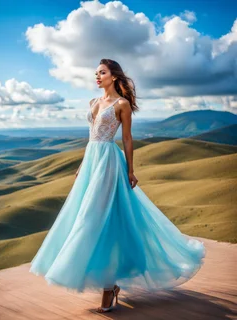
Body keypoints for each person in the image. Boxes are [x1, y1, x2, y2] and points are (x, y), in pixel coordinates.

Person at [29, 58, 206, 313]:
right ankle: (106, 282)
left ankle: (109, 285)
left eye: (102, 72)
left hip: (109, 163)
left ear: (114, 76)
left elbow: (127, 139)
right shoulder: (93, 102)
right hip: (92, 162)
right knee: (85, 216)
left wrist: (131, 170)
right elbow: (91, 138)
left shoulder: (121, 104)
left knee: (99, 218)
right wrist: (82, 165)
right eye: (96, 73)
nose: (97, 76)